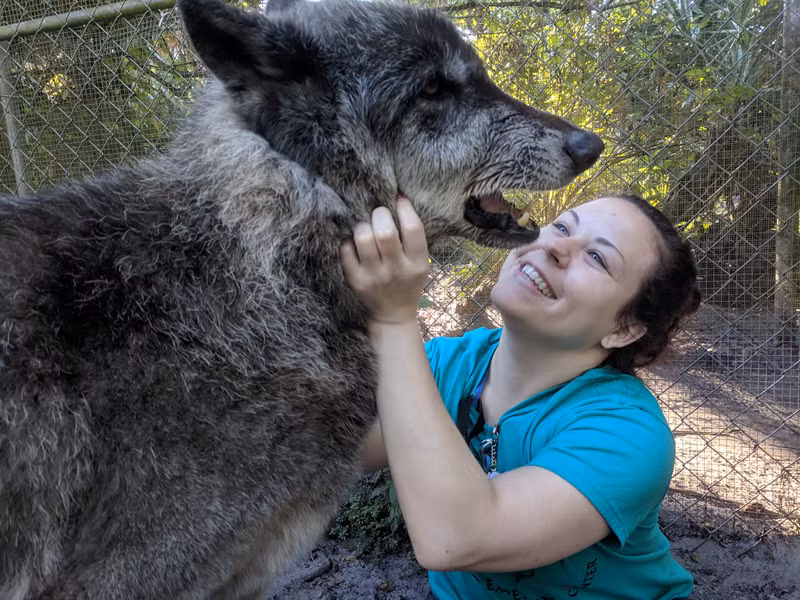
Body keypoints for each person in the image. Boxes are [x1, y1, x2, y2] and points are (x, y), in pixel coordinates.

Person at [340, 193, 700, 600]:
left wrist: (392, 318)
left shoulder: (628, 434)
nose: (555, 246)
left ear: (624, 329)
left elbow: (457, 537)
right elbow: (332, 445)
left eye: (598, 258)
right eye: (562, 226)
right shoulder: (445, 365)